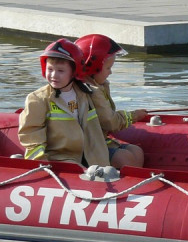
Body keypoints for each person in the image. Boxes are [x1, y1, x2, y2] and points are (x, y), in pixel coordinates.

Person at [18, 39, 111, 169]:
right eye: (50, 69)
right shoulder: (38, 99)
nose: (53, 75)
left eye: (60, 71)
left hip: (94, 159)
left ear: (74, 72)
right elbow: (31, 136)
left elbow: (108, 119)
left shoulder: (88, 93)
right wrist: (41, 163)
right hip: (61, 159)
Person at [74, 34, 147, 168]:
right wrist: (133, 116)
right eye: (108, 68)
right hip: (87, 145)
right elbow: (110, 122)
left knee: (137, 151)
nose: (110, 72)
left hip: (98, 139)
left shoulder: (98, 86)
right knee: (125, 159)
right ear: (92, 67)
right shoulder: (92, 91)